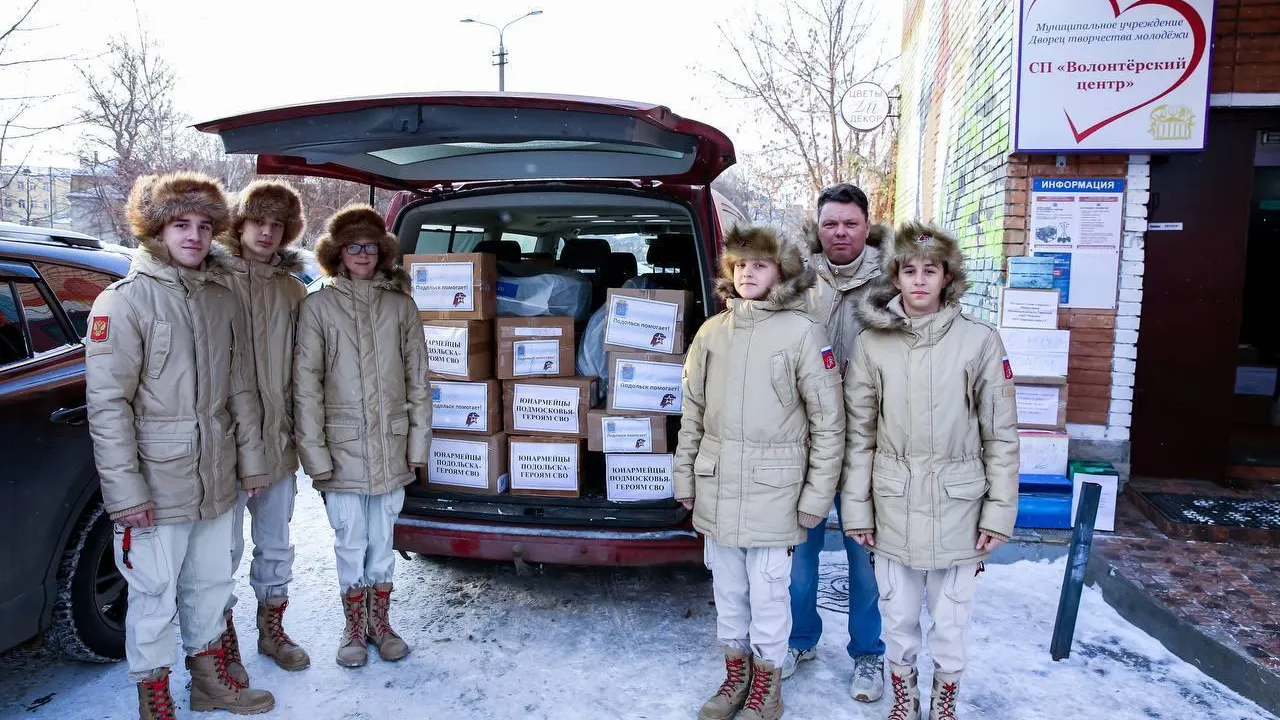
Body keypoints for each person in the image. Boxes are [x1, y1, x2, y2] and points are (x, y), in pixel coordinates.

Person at [85, 172, 276, 718]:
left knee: (211, 583)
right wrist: (126, 494)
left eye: (201, 225)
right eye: (179, 224)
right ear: (156, 231)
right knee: (151, 596)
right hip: (156, 479)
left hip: (216, 475)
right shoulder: (122, 302)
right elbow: (108, 406)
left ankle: (211, 684)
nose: (192, 236)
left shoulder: (222, 298)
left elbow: (240, 384)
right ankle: (156, 700)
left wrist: (253, 460)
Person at [841, 221, 1019, 720]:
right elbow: (861, 435)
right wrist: (857, 508)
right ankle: (905, 695)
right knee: (897, 616)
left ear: (947, 277)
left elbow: (1001, 436)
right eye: (909, 270)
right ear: (895, 277)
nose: (919, 281)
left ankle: (945, 701)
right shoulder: (873, 344)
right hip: (893, 503)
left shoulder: (979, 341)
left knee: (952, 617)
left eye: (930, 271)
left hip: (960, 505)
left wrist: (998, 513)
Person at [674, 225, 845, 720]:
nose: (748, 272)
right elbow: (693, 414)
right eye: (740, 265)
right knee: (728, 592)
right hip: (718, 484)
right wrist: (685, 477)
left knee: (770, 594)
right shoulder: (711, 332)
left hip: (777, 491)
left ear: (782, 273)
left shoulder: (804, 333)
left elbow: (828, 425)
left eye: (760, 264)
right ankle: (736, 678)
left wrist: (817, 496)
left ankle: (766, 690)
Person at [293, 204, 430, 668]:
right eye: (353, 246)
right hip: (342, 446)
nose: (363, 254)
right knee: (349, 538)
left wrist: (417, 446)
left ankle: (381, 623)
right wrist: (315, 455)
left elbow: (418, 382)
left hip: (390, 446)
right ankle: (353, 628)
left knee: (381, 538)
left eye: (370, 246)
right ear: (337, 252)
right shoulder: (318, 305)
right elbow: (305, 387)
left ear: (382, 251)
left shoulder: (401, 306)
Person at [787, 183, 891, 702]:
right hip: (806, 441)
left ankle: (868, 654)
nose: (841, 232)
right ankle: (800, 640)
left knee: (863, 553)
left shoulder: (893, 282)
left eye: (850, 223)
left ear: (867, 226)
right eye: (831, 223)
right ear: (818, 227)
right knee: (799, 552)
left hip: (867, 444)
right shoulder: (797, 282)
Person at [215, 180, 311, 677]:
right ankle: (222, 638)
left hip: (277, 438)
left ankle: (272, 629)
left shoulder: (293, 289)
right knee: (222, 550)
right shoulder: (212, 280)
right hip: (224, 443)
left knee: (275, 541)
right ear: (240, 223)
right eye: (259, 221)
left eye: (277, 224)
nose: (267, 232)